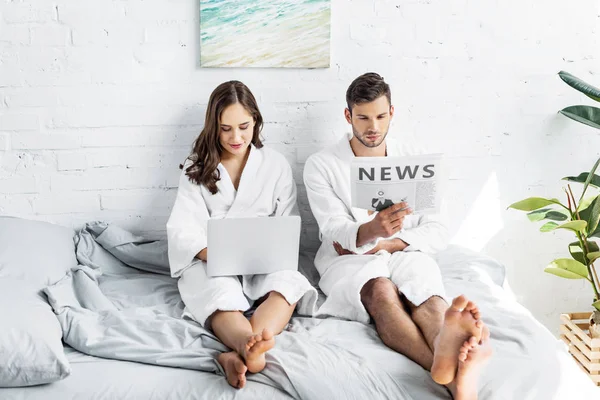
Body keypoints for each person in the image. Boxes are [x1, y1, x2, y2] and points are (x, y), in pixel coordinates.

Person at [303, 72, 492, 400]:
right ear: (348, 116)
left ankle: (447, 351)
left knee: (427, 296)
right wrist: (371, 230)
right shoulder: (321, 164)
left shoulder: (418, 160)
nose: (372, 126)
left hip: (405, 251)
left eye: (379, 116)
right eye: (362, 118)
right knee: (382, 294)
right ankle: (450, 376)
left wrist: (388, 241)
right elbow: (334, 231)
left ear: (392, 113)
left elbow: (438, 229)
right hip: (348, 261)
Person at [167, 81, 317, 389]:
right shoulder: (197, 166)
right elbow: (182, 229)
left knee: (288, 285)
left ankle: (239, 352)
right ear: (214, 127)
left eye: (244, 126)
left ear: (256, 122)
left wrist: (262, 253)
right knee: (218, 295)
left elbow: (288, 221)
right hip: (212, 258)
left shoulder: (274, 164)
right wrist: (218, 254)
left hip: (263, 258)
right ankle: (249, 346)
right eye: (225, 129)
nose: (236, 137)